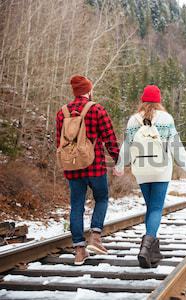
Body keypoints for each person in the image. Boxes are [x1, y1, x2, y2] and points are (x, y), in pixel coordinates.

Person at [114, 85, 186, 268]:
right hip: (161, 169)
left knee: (150, 207)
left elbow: (127, 146)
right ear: (159, 101)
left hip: (141, 170)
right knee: (156, 208)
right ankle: (146, 247)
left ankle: (152, 250)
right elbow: (176, 147)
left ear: (142, 101)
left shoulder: (133, 121)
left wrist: (120, 165)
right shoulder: (166, 119)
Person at [56, 75, 119, 265]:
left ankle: (79, 251)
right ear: (89, 91)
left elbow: (59, 141)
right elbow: (110, 138)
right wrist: (118, 160)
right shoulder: (96, 109)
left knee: (76, 205)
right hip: (95, 165)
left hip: (72, 167)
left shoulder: (62, 113)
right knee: (101, 198)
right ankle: (96, 238)